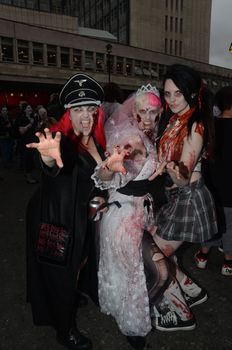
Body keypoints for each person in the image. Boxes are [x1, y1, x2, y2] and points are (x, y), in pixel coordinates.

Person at [91, 86, 195, 349]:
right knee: (152, 272)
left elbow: (145, 178)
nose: (148, 118)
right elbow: (109, 176)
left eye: (153, 113)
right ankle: (133, 324)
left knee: (137, 273)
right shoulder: (131, 140)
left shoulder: (148, 135)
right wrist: (108, 170)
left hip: (139, 213)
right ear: (133, 112)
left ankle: (133, 313)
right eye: (143, 112)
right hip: (123, 219)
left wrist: (168, 176)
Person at [26, 73, 107, 350]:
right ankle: (65, 329)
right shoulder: (63, 141)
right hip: (56, 216)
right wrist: (47, 157)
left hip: (79, 216)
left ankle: (71, 293)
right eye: (78, 109)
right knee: (60, 271)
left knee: (79, 263)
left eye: (90, 108)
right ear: (68, 113)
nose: (85, 116)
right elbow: (54, 161)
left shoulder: (96, 139)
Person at [148, 64, 218, 329]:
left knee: (152, 257)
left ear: (191, 92)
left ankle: (182, 314)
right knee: (152, 249)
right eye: (167, 94)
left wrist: (175, 172)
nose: (173, 100)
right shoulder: (174, 119)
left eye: (179, 93)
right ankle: (191, 290)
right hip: (175, 197)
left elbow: (184, 177)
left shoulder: (195, 125)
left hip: (188, 199)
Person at [195, 86, 232, 276]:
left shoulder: (209, 126)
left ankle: (203, 256)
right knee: (230, 225)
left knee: (210, 222)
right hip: (230, 188)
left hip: (210, 184)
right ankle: (228, 262)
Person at [16, 103, 39, 183]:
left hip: (33, 141)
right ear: (25, 110)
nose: (30, 109)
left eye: (30, 108)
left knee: (32, 159)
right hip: (26, 141)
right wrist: (30, 124)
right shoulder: (22, 118)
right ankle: (29, 178)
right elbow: (21, 131)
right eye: (28, 108)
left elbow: (36, 128)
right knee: (28, 159)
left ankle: (29, 174)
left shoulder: (33, 117)